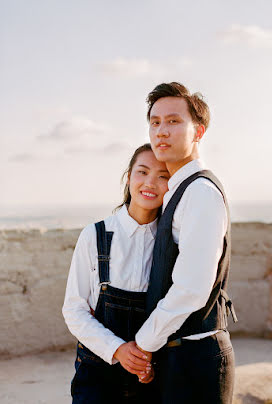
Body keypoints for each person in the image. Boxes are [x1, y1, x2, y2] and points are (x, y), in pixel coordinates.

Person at [134, 82, 238, 403]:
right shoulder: (179, 190)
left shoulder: (200, 192)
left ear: (199, 131)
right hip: (179, 354)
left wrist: (144, 343)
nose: (161, 131)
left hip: (197, 359)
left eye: (174, 121)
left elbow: (192, 288)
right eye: (155, 122)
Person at [62, 143, 169, 403]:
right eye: (142, 172)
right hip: (96, 373)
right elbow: (74, 310)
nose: (150, 183)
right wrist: (118, 349)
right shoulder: (95, 235)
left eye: (163, 176)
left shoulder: (171, 245)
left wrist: (145, 361)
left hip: (149, 374)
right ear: (128, 177)